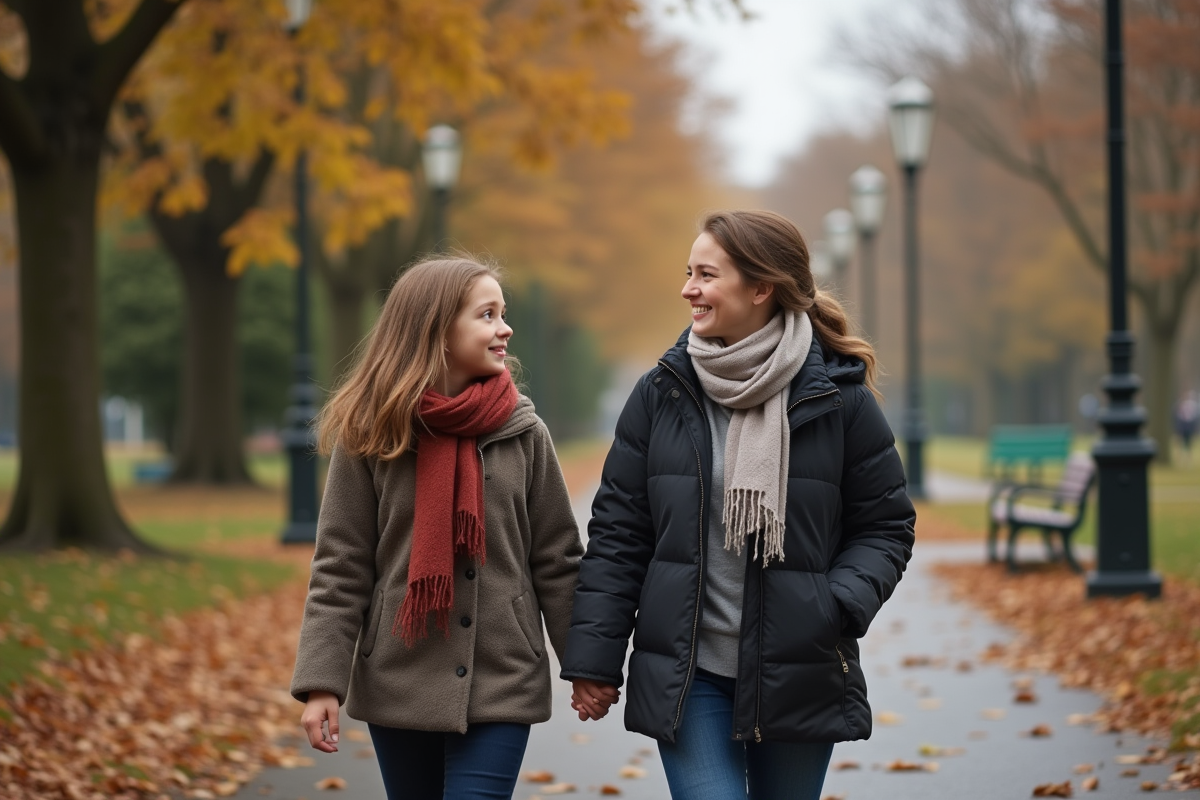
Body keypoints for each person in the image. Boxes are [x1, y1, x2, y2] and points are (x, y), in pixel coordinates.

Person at [560, 210, 916, 800]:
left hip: (798, 666)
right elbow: (620, 532)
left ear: (760, 288)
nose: (688, 289)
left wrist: (834, 605)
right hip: (689, 673)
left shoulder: (839, 399)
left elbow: (885, 526)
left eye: (706, 274)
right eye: (688, 272)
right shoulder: (661, 394)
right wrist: (594, 659)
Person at [290, 257, 584, 800]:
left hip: (504, 678)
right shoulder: (371, 434)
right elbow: (342, 565)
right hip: (399, 677)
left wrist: (586, 664)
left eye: (504, 313)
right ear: (436, 330)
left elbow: (558, 558)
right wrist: (321, 683)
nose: (505, 328)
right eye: (488, 314)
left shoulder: (525, 431)